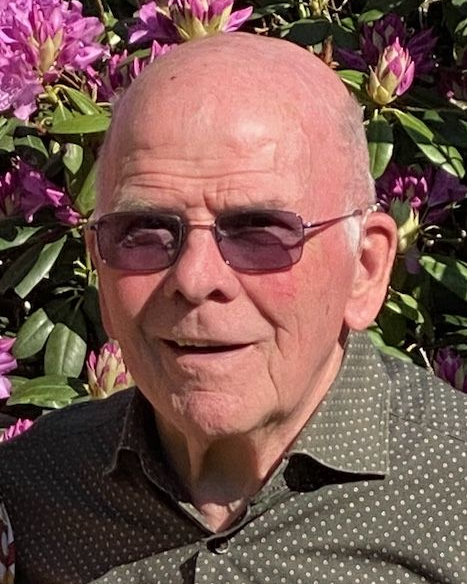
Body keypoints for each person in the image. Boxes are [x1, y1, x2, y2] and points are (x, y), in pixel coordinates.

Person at [0, 32, 466, 584]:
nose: (195, 280)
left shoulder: (451, 494)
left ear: (364, 269)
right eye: (145, 231)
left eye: (259, 231)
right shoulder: (35, 488)